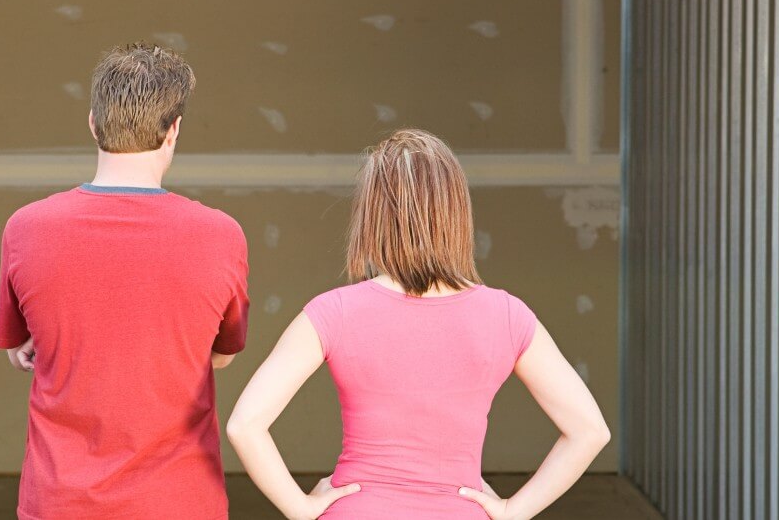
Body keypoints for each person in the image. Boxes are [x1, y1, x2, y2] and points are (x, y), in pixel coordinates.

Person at [226, 129, 610, 520]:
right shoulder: (507, 315)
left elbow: (245, 425)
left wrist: (302, 509)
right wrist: (514, 511)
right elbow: (589, 431)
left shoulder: (333, 311)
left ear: (371, 216)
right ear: (456, 211)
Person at [0, 43, 250, 520]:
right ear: (174, 130)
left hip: (59, 504)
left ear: (92, 122)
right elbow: (223, 354)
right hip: (179, 503)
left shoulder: (26, 228)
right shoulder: (221, 235)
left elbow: (18, 346)